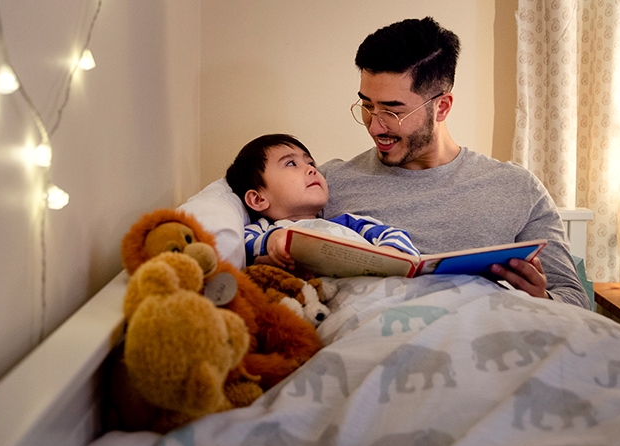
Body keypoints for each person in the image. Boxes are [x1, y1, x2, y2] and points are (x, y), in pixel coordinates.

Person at [319, 17, 591, 309]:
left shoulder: (516, 189)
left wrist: (543, 298)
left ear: (442, 107)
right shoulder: (325, 184)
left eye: (392, 111)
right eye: (367, 106)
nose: (375, 127)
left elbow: (576, 301)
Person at [225, 133, 420, 270]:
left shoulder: (347, 223)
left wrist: (389, 252)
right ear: (258, 199)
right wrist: (272, 241)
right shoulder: (262, 230)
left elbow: (394, 235)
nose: (311, 169)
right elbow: (235, 249)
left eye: (310, 163)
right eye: (291, 163)